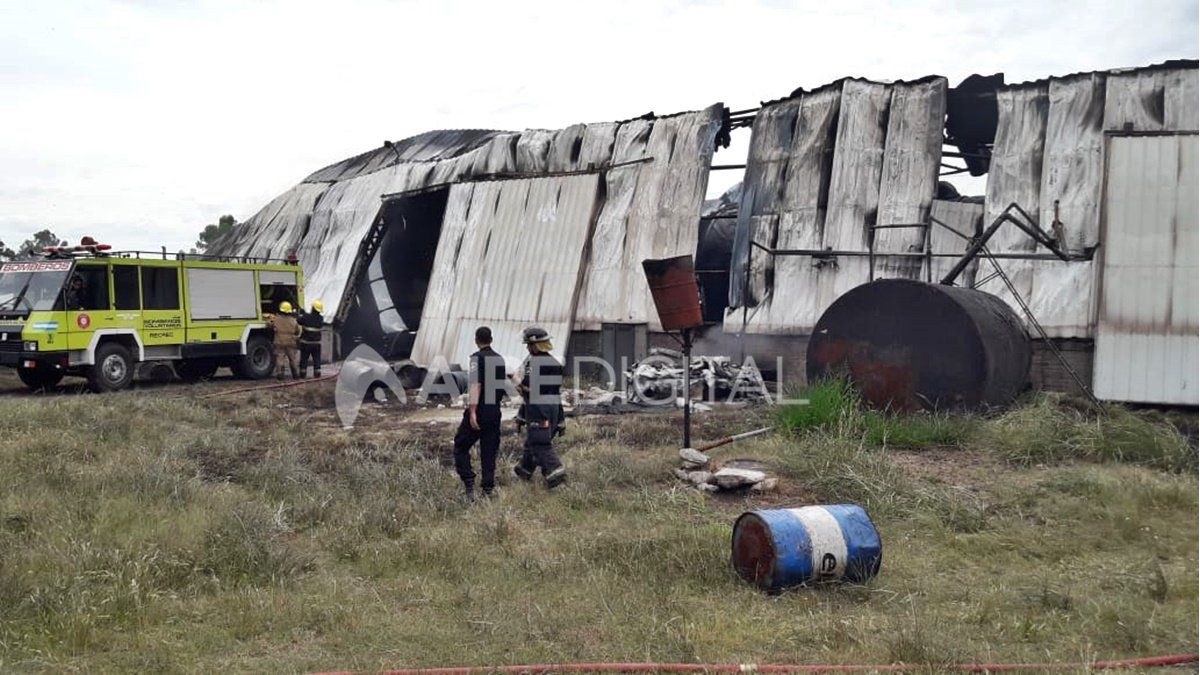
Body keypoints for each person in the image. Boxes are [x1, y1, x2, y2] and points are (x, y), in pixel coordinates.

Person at [453, 326, 508, 501]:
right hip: (494, 411)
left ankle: (469, 482)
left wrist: (473, 411)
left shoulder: (476, 359)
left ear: (476, 340)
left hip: (482, 409)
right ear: (491, 340)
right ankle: (488, 490)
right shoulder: (500, 359)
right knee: (489, 450)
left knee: (460, 445)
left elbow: (476, 385)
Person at [511, 326, 566, 488]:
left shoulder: (534, 363)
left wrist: (515, 380)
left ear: (536, 345)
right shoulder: (554, 363)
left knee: (540, 444)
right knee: (531, 444)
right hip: (553, 410)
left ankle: (558, 478)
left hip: (539, 411)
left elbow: (529, 390)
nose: (528, 348)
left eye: (529, 345)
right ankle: (523, 473)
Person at [267, 301, 301, 379]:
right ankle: (295, 374)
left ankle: (280, 374)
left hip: (279, 342)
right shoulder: (293, 320)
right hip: (291, 342)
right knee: (293, 359)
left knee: (280, 358)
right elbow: (297, 331)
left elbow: (268, 324)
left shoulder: (276, 319)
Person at [298, 300, 324, 378]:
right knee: (316, 359)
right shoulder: (320, 318)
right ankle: (317, 373)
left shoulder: (306, 317)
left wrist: (302, 314)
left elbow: (298, 321)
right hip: (316, 344)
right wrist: (305, 314)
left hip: (306, 343)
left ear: (313, 308)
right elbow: (312, 319)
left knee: (304, 359)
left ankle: (303, 374)